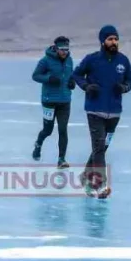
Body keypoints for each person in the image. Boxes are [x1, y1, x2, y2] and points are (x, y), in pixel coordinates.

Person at [72, 25, 131, 199]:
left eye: (116, 39)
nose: (114, 42)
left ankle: (85, 177)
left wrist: (124, 87)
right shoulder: (92, 60)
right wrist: (86, 86)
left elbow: (130, 79)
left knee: (101, 148)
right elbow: (76, 74)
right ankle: (100, 185)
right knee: (99, 147)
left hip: (114, 112)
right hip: (94, 110)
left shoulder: (123, 61)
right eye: (110, 39)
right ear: (102, 41)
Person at [31, 36, 75, 169]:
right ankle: (38, 144)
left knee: (63, 129)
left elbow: (70, 75)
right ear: (56, 48)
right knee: (48, 130)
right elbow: (35, 75)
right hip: (49, 101)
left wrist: (72, 82)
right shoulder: (45, 61)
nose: (64, 52)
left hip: (65, 101)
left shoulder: (69, 61)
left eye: (66, 49)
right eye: (62, 49)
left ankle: (61, 159)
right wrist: (49, 78)